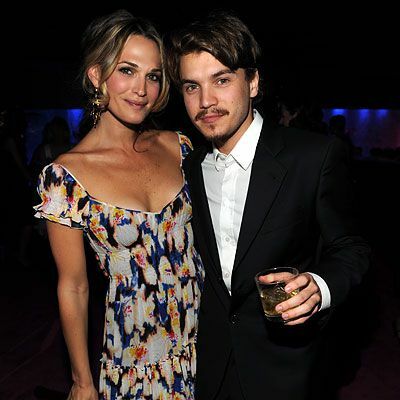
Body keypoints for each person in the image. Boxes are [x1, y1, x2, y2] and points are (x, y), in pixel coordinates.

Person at [165, 10, 370, 400]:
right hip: (209, 367)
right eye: (192, 87)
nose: (206, 101)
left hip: (287, 369)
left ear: (254, 81)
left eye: (221, 80)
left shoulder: (314, 156)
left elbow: (352, 248)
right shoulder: (187, 166)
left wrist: (320, 287)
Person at [33, 9, 204, 400]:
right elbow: (73, 286)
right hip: (137, 357)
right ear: (97, 76)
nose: (141, 88)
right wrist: (81, 382)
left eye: (154, 75)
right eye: (127, 70)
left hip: (204, 338)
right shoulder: (65, 178)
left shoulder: (179, 147)